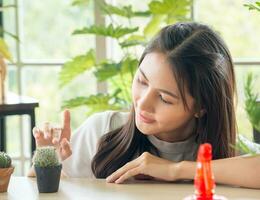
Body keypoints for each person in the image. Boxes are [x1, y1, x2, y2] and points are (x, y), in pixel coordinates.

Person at [28, 22, 260, 189]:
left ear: (202, 107)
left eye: (165, 98)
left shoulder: (226, 151)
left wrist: (175, 170)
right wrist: (46, 159)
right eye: (141, 81)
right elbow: (39, 187)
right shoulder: (102, 130)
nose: (143, 103)